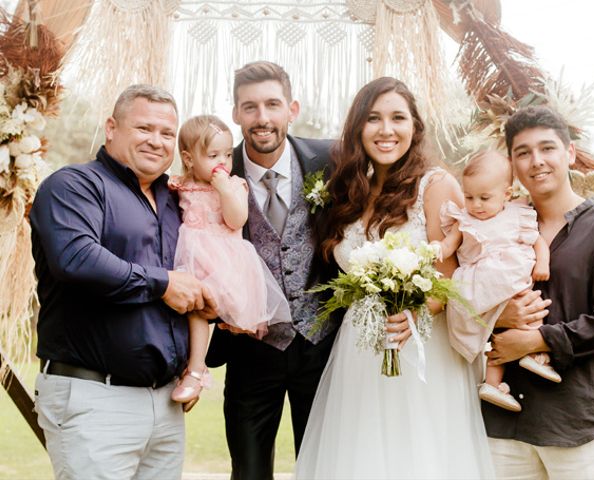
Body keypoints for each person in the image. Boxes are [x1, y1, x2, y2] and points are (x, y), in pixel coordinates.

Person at [294, 77, 495, 479]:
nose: (386, 130)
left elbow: (452, 276)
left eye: (398, 118)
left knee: (417, 457)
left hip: (420, 346)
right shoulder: (350, 191)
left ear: (415, 127)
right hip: (358, 346)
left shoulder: (436, 186)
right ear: (358, 128)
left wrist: (415, 313)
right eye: (374, 119)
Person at [29, 84, 216, 480]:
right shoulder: (74, 186)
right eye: (144, 128)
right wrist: (164, 283)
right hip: (94, 397)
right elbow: (77, 260)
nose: (156, 141)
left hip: (166, 404)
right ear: (112, 127)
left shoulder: (176, 200)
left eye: (167, 133)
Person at [483, 105, 594, 479]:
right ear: (512, 163)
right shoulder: (500, 225)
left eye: (547, 148)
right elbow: (468, 295)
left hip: (579, 422)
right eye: (523, 152)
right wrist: (495, 318)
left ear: (569, 153)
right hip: (505, 424)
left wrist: (535, 340)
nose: (536, 161)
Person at [204, 61, 341, 480]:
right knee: (247, 471)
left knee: (322, 468)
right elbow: (194, 246)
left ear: (291, 109)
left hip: (321, 346)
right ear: (235, 113)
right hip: (249, 349)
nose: (262, 118)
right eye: (250, 107)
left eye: (272, 105)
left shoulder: (330, 159)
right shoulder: (214, 173)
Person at [168, 114, 291, 410]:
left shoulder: (234, 185)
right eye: (213, 155)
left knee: (203, 308)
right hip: (192, 257)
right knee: (192, 307)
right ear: (188, 159)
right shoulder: (179, 184)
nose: (223, 161)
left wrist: (223, 187)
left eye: (227, 153)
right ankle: (188, 370)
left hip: (226, 261)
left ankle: (196, 371)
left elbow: (237, 219)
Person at [433, 149, 558, 413]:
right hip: (480, 284)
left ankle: (525, 361)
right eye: (469, 197)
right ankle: (494, 381)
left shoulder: (517, 215)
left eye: (484, 198)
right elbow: (449, 244)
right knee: (491, 330)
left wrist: (543, 263)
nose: (475, 205)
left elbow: (538, 242)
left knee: (527, 307)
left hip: (510, 278)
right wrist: (437, 250)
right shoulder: (464, 219)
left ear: (507, 194)